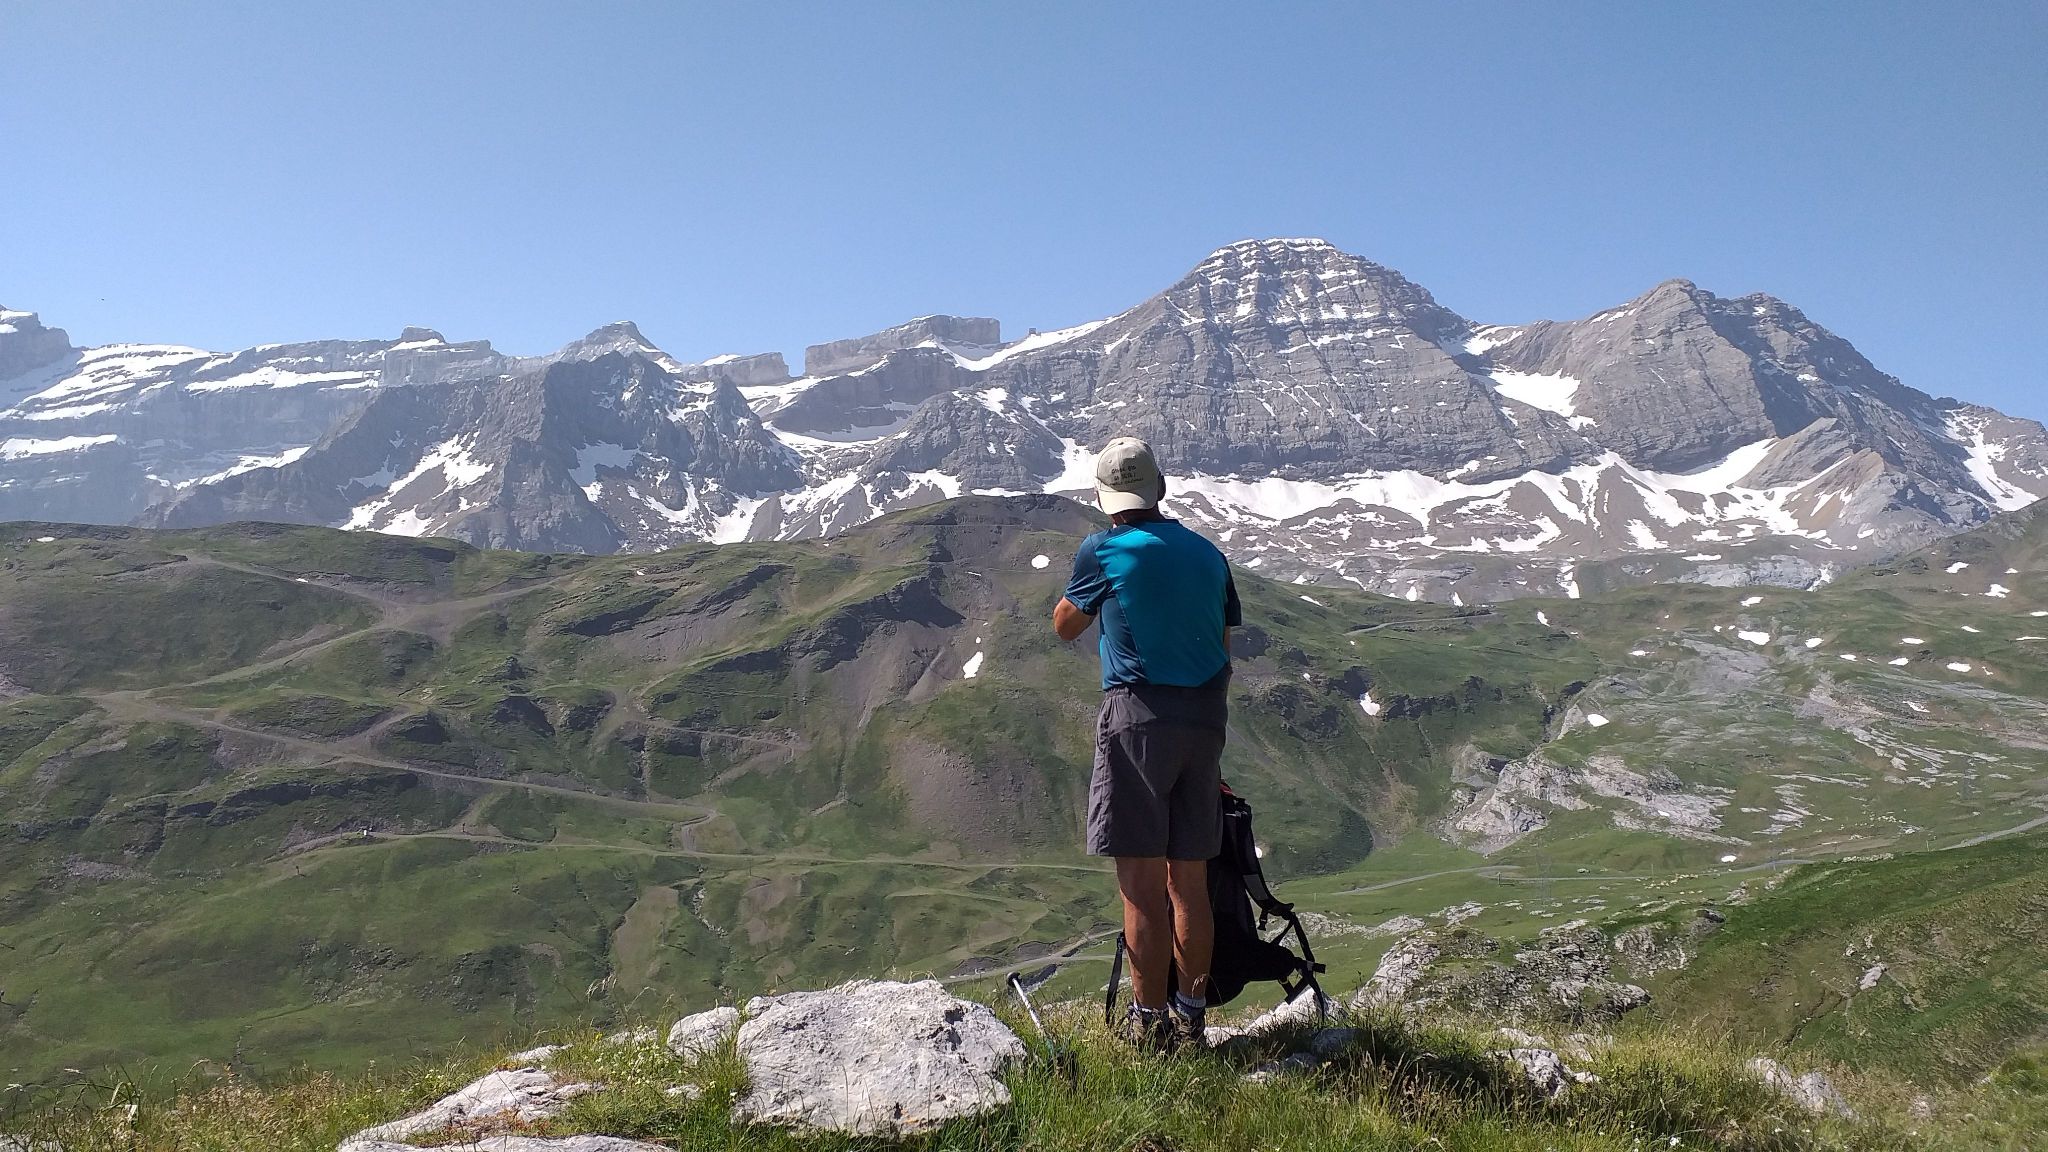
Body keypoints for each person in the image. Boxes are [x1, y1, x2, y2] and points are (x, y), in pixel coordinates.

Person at [1052, 435, 1241, 1052]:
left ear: (1104, 498)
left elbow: (1064, 626)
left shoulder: (1103, 549)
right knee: (1189, 881)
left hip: (1137, 719)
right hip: (1204, 721)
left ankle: (1149, 1026)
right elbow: (1224, 645)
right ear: (1159, 488)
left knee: (1140, 884)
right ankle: (1192, 1019)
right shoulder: (1209, 555)